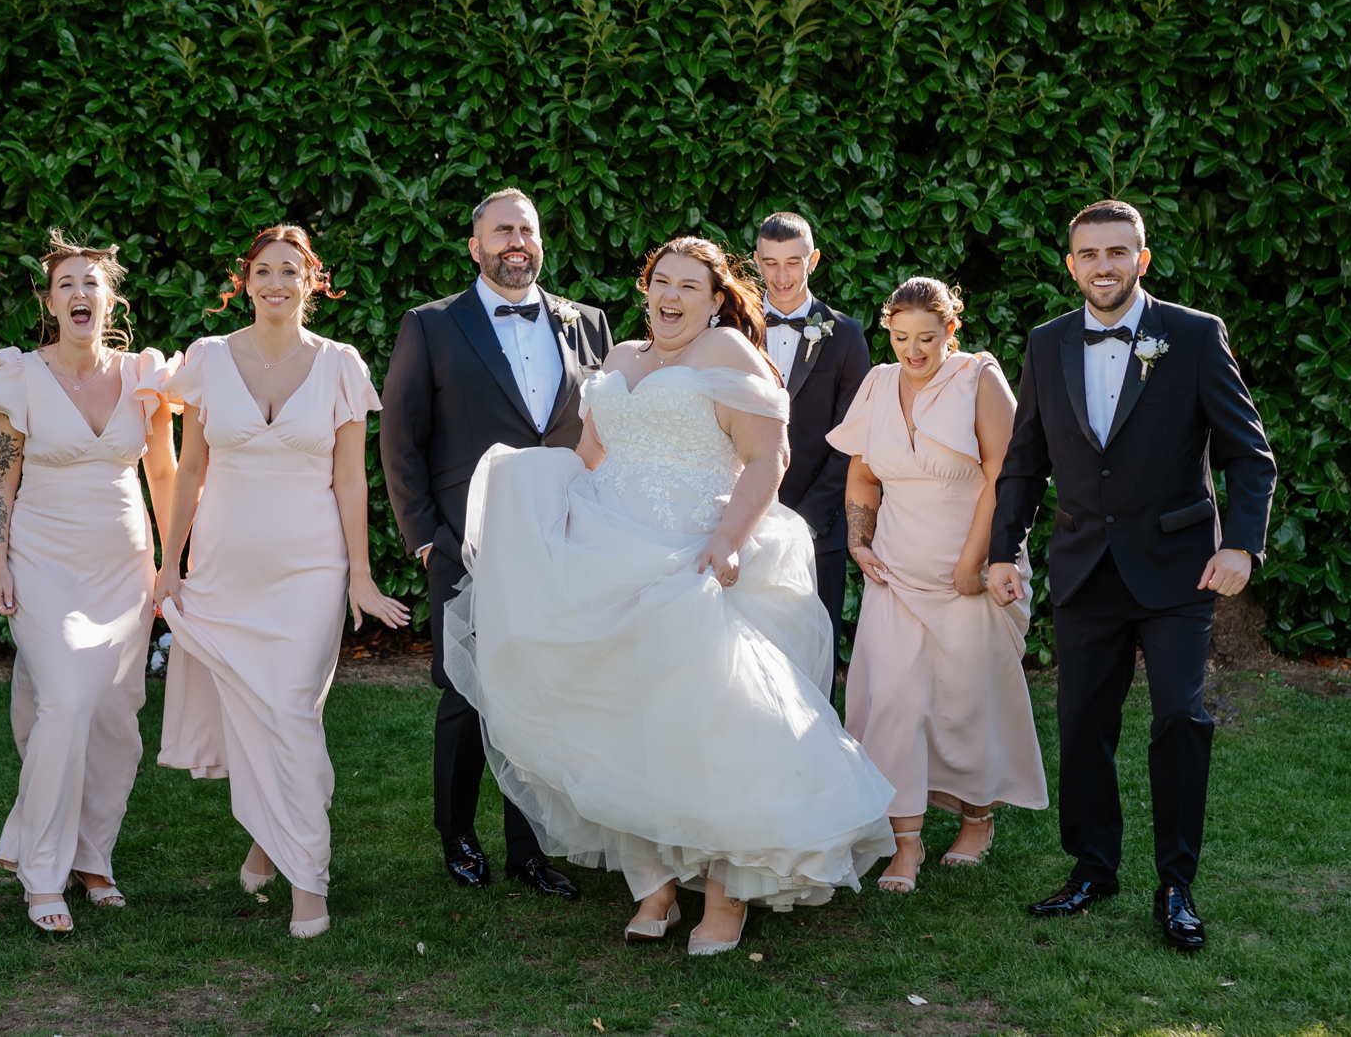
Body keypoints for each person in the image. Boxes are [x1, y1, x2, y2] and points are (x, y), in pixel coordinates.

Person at [443, 237, 897, 955]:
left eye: (690, 285)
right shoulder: (622, 358)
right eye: (662, 281)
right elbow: (592, 457)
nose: (671, 296)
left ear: (716, 301)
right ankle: (653, 881)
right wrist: (538, 503)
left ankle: (725, 891)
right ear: (645, 288)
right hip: (611, 552)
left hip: (693, 552)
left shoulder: (728, 354)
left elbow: (768, 457)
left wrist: (728, 539)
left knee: (713, 719)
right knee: (623, 716)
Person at [988, 200, 1276, 952]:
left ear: (1142, 259)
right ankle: (1093, 867)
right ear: (1071, 264)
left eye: (1118, 252)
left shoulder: (1194, 334)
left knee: (1180, 717)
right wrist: (1002, 550)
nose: (1104, 266)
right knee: (1083, 721)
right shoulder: (1047, 342)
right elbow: (1025, 460)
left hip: (1179, 569)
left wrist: (1242, 546)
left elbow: (1249, 455)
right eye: (1089, 253)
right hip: (1085, 565)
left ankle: (1176, 883)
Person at [155, 225, 409, 940]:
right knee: (256, 713)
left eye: (290, 271)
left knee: (292, 711)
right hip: (225, 568)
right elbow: (191, 468)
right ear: (245, 281)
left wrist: (360, 576)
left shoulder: (340, 365)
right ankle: (270, 840)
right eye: (263, 270)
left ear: (311, 282)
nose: (276, 282)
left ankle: (308, 881)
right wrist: (170, 560)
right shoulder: (208, 359)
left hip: (309, 569)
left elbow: (350, 479)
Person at [379, 188, 616, 898]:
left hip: (562, 535)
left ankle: (531, 849)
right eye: (502, 230)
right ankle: (457, 834)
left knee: (544, 687)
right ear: (475, 246)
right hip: (467, 540)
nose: (517, 242)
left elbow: (606, 428)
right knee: (466, 692)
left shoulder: (587, 322)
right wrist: (427, 538)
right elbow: (399, 438)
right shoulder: (431, 325)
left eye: (527, 230)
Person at [0, 233, 179, 934]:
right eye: (66, 284)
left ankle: (94, 858)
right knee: (63, 700)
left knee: (117, 717)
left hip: (124, 566)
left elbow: (163, 473)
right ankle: (40, 871)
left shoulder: (144, 376)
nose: (79, 293)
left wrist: (172, 562)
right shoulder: (19, 378)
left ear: (109, 299)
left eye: (91, 282)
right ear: (50, 302)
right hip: (43, 563)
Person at [826, 277, 1047, 895]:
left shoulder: (979, 377)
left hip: (968, 570)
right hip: (896, 574)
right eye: (900, 337)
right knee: (893, 700)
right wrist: (859, 542)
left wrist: (976, 560)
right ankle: (906, 842)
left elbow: (1006, 475)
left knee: (966, 700)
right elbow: (863, 476)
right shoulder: (877, 384)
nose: (912, 351)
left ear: (952, 329)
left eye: (926, 337)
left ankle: (977, 820)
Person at [753, 210, 871, 691]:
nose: (781, 276)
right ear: (756, 262)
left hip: (818, 526)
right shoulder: (732, 327)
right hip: (743, 522)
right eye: (770, 263)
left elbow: (851, 438)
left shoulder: (846, 335)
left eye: (793, 262)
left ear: (814, 260)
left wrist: (806, 519)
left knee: (815, 658)